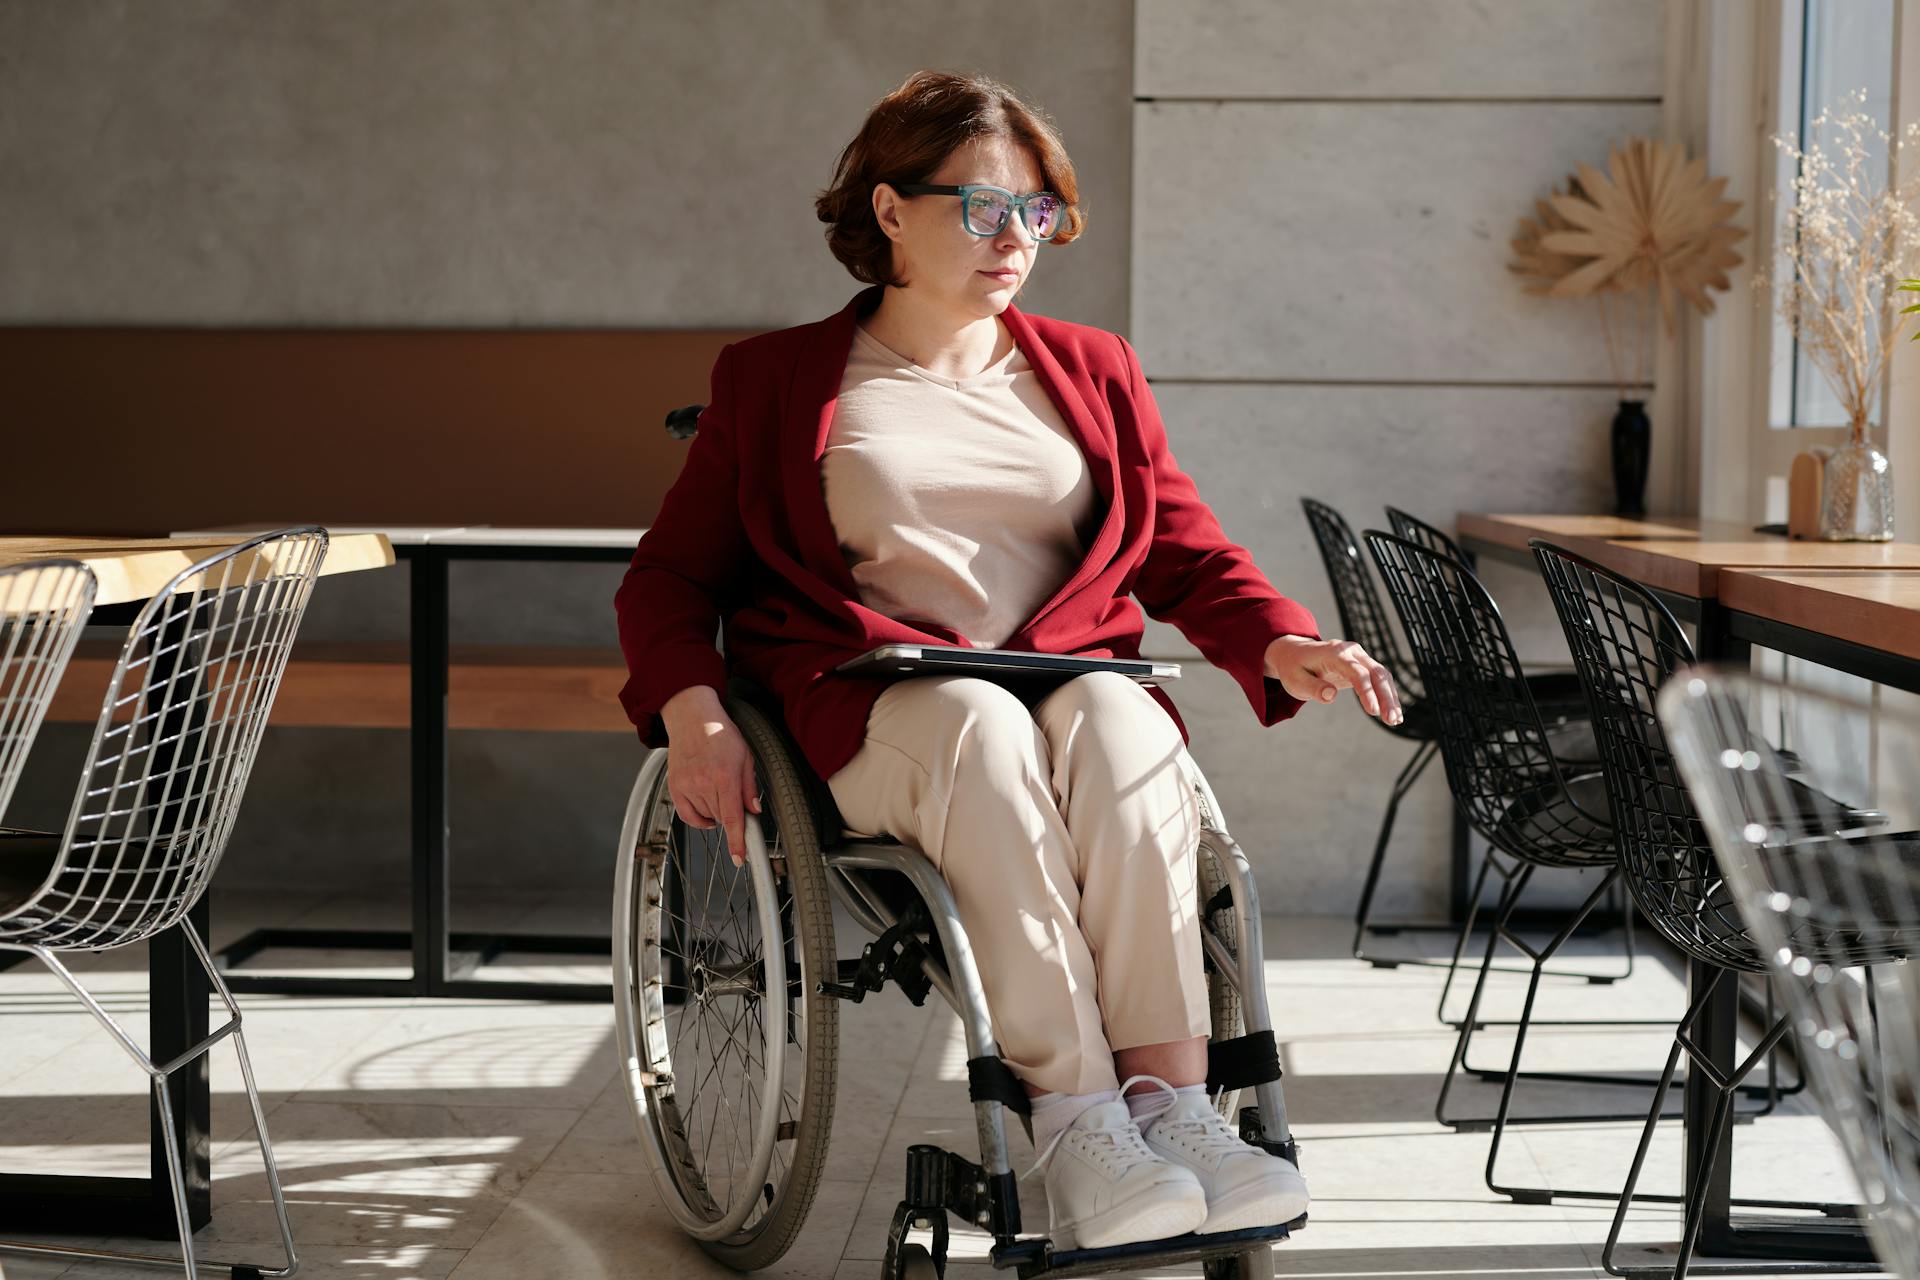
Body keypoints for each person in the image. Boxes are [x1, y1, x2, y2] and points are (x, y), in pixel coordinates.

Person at [613, 69, 1402, 1252]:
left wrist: (1284, 639)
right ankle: (1078, 1121)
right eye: (982, 209)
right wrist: (694, 711)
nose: (1016, 240)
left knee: (1128, 725)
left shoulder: (1091, 367)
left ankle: (1174, 1106)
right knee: (981, 723)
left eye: (1036, 212)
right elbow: (671, 577)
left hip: (1066, 697)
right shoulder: (775, 379)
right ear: (889, 211)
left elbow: (1181, 549)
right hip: (883, 705)